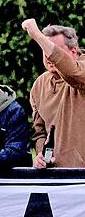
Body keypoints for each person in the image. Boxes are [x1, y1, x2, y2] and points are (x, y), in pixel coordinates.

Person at [22, 18, 85, 168]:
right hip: (56, 177)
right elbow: (39, 132)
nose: (48, 56)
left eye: (54, 50)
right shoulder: (39, 85)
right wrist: (41, 156)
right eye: (45, 50)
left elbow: (73, 73)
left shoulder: (81, 68)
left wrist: (37, 35)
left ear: (74, 51)